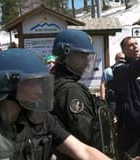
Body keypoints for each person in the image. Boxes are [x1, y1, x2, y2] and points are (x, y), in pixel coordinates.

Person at [0, 48, 112, 160]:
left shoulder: (40, 119)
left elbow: (83, 151)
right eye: (34, 83)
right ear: (9, 84)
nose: (41, 90)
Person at [51, 29, 119, 160]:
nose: (87, 62)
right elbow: (89, 139)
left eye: (88, 57)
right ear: (66, 55)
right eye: (82, 56)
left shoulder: (58, 83)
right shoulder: (71, 91)